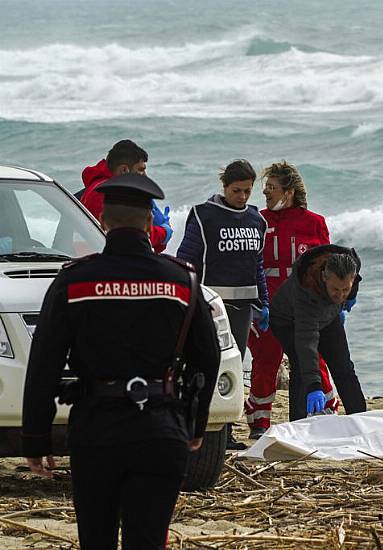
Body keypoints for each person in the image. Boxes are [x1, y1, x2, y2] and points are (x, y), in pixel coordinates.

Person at [22, 173, 220, 549]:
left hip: (96, 429)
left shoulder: (74, 282)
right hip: (160, 429)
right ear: (149, 223)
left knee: (96, 540)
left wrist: (36, 437)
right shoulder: (182, 281)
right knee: (146, 540)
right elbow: (206, 361)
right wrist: (195, 425)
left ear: (102, 221)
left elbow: (44, 363)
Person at [245, 161, 341, 439]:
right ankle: (259, 423)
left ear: (289, 192)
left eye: (272, 188)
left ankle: (325, 414)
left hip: (306, 310)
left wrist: (335, 304)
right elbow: (248, 264)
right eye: (265, 188)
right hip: (267, 307)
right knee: (265, 362)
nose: (265, 193)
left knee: (314, 360)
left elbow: (329, 267)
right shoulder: (258, 221)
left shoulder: (314, 223)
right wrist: (254, 304)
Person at [177, 159, 268, 450]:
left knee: (233, 367)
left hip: (242, 308)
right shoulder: (205, 216)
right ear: (225, 187)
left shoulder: (257, 220)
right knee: (205, 366)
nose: (242, 196)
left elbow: (258, 266)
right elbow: (187, 259)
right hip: (211, 307)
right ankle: (198, 428)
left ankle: (225, 432)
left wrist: (263, 302)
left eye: (247, 191)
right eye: (236, 190)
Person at [269, 244, 367, 421]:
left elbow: (355, 280)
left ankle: (360, 418)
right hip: (287, 321)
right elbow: (306, 343)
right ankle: (298, 424)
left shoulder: (351, 265)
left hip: (328, 316)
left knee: (343, 366)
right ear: (324, 277)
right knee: (301, 365)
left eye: (345, 289)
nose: (340, 295)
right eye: (335, 289)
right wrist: (315, 386)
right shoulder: (306, 289)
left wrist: (351, 296)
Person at [80, 139, 173, 253]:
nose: (145, 176)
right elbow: (131, 236)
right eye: (140, 170)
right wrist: (163, 233)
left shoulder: (98, 187)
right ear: (124, 170)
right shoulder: (106, 193)